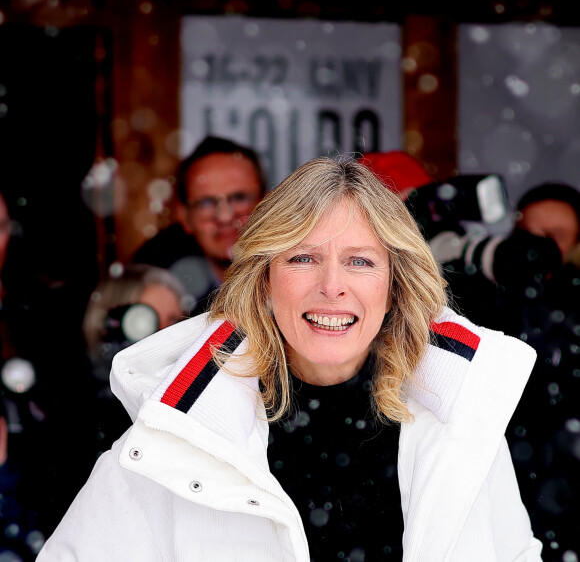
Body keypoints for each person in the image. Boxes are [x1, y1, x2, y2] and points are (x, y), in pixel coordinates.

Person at [37, 155, 542, 561]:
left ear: (394, 286)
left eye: (360, 261)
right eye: (302, 257)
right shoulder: (178, 434)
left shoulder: (460, 418)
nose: (332, 287)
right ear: (264, 280)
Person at [132, 135, 267, 314]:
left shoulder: (298, 264)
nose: (225, 216)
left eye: (239, 198)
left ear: (267, 204)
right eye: (206, 203)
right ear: (185, 217)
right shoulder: (154, 281)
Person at [81, 263, 191, 456]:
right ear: (110, 324)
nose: (165, 334)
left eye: (174, 323)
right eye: (146, 321)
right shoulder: (82, 413)